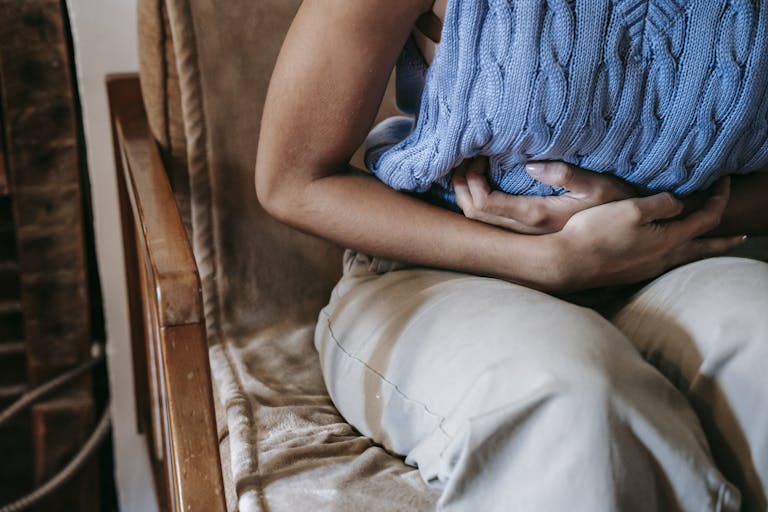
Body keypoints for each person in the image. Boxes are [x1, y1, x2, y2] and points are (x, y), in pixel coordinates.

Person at [255, 1, 768, 510]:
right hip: (440, 274)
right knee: (573, 400)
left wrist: (647, 216)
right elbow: (293, 181)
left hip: (672, 261)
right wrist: (549, 260)